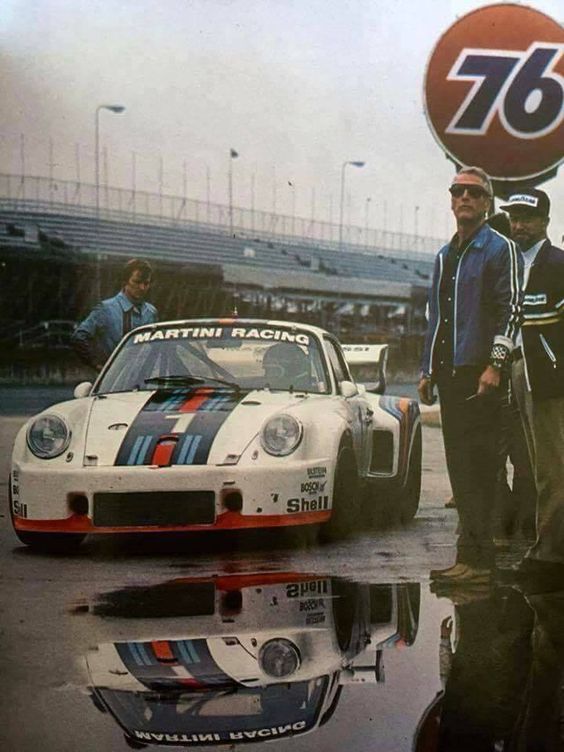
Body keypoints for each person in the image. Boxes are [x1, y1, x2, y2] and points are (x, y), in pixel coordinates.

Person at [418, 166, 522, 585]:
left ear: (486, 203)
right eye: (458, 191)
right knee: (460, 470)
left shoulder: (499, 249)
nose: (464, 198)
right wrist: (426, 369)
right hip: (449, 374)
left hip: (482, 375)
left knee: (480, 468)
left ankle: (480, 563)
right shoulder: (446, 255)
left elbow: (511, 309)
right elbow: (436, 318)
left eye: (474, 193)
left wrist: (496, 364)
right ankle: (469, 557)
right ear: (451, 199)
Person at [500, 188, 564, 585]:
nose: (519, 225)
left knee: (551, 466)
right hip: (516, 369)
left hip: (549, 374)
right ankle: (547, 546)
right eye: (514, 217)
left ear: (545, 221)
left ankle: (550, 555)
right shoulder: (506, 263)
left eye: (527, 218)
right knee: (531, 462)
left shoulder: (557, 264)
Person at [72, 258, 158, 370]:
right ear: (125, 282)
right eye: (137, 282)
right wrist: (98, 366)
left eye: (146, 283)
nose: (142, 287)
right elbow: (79, 337)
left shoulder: (151, 312)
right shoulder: (106, 309)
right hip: (114, 379)